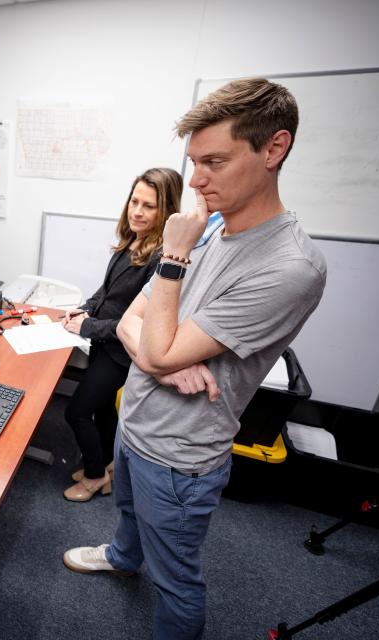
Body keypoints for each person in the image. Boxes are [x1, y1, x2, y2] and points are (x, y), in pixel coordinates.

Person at [63, 78, 327, 640]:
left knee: (176, 579)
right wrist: (162, 359)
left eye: (215, 161)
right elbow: (135, 318)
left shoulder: (289, 266)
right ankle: (120, 555)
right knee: (128, 517)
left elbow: (152, 341)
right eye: (193, 162)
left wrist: (174, 262)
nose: (198, 180)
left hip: (179, 455)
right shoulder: (210, 221)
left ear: (273, 149)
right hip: (134, 421)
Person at [61, 168, 182, 502]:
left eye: (149, 206)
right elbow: (108, 291)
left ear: (166, 211)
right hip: (104, 343)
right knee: (101, 410)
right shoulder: (133, 239)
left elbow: (136, 324)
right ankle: (107, 466)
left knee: (77, 411)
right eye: (135, 201)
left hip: (121, 352)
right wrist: (83, 308)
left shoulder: (161, 259)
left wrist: (86, 326)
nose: (137, 211)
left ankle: (94, 477)